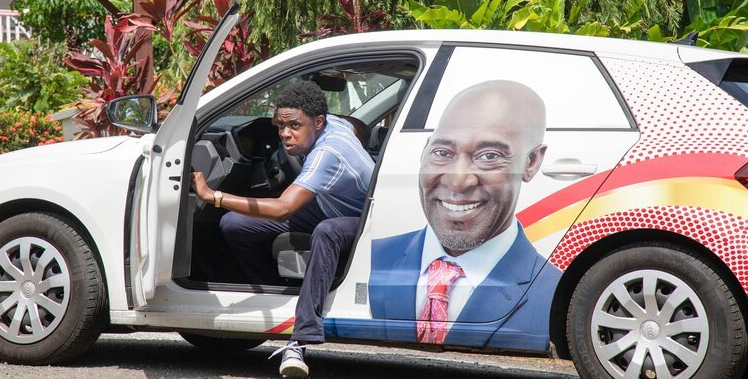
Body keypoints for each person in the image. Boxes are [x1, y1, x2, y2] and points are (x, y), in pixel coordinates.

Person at [191, 80, 374, 378]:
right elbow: (357, 125)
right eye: (281, 126)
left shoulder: (327, 154)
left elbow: (282, 208)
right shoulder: (335, 124)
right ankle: (275, 297)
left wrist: (214, 196)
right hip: (327, 203)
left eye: (295, 126)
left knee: (326, 231)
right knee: (235, 224)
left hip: (362, 219)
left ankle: (300, 339)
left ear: (318, 122)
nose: (286, 134)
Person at [368, 80, 562, 350]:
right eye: (442, 152)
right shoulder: (371, 259)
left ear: (532, 163)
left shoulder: (557, 297)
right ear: (425, 151)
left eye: (489, 155)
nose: (458, 181)